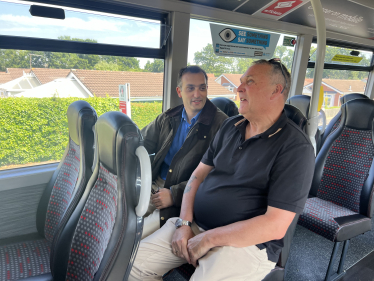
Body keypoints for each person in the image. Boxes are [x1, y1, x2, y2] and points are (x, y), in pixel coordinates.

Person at [129, 59, 315, 281]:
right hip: (197, 224)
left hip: (247, 244)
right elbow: (197, 176)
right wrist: (185, 223)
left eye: (250, 82)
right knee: (133, 265)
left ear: (276, 90)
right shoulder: (231, 126)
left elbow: (274, 225)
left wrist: (209, 239)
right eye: (241, 82)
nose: (239, 88)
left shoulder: (295, 147)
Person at [140, 65, 227, 238]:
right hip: (154, 186)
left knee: (135, 236)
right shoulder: (167, 118)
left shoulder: (222, 125)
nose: (197, 94)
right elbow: (139, 142)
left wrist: (175, 194)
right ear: (179, 92)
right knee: (121, 224)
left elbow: (220, 175)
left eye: (202, 88)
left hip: (184, 195)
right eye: (190, 88)